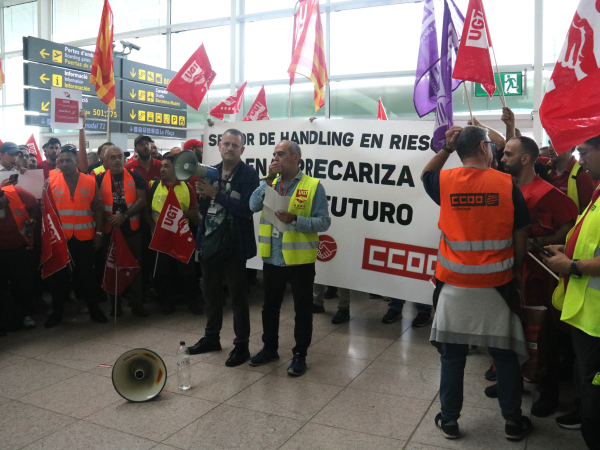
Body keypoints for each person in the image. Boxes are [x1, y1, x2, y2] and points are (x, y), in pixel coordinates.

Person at [421, 125, 532, 441]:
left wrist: (446, 147)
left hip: (453, 285)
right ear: (484, 148)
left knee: (453, 356)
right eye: (491, 145)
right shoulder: (506, 184)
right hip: (497, 286)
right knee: (504, 355)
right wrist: (517, 272)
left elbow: (425, 173)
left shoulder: (445, 181)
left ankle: (450, 421)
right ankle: (512, 422)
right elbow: (521, 233)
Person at [500, 136, 578, 417]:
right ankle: (511, 382)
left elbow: (570, 228)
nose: (502, 159)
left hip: (538, 275)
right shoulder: (502, 189)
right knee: (510, 329)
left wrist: (541, 244)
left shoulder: (549, 194)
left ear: (525, 158)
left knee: (544, 335)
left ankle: (549, 391)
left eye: (508, 155)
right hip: (508, 272)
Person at [249, 140, 331, 376]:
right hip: (272, 257)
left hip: (300, 259)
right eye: (274, 154)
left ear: (296, 158)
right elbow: (252, 205)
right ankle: (269, 348)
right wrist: (266, 180)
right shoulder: (270, 182)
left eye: (281, 154)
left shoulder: (313, 185)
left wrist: (295, 219)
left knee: (302, 309)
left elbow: (324, 222)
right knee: (270, 307)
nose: (276, 158)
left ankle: (299, 354)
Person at [542, 134, 600, 450]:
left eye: (585, 152)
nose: (581, 160)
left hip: (597, 317)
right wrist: (567, 248)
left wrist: (572, 265)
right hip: (586, 314)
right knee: (585, 379)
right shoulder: (598, 194)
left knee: (594, 391)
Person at [188, 129, 259, 368]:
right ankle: (211, 338)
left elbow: (246, 209)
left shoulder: (249, 174)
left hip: (235, 244)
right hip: (209, 240)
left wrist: (215, 194)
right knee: (210, 295)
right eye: (226, 144)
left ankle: (242, 346)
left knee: (238, 297)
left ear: (242, 150)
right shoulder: (210, 171)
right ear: (219, 146)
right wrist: (203, 195)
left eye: (234, 145)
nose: (229, 148)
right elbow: (203, 208)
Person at [45, 147, 107, 328]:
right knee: (58, 277)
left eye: (68, 160)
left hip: (85, 237)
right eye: (61, 160)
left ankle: (94, 309)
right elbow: (47, 211)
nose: (64, 164)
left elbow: (98, 208)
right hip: (60, 239)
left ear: (77, 163)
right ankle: (57, 312)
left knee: (87, 276)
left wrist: (99, 233)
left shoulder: (89, 181)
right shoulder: (51, 181)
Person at [144, 155, 203, 316]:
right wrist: (152, 225)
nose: (162, 169)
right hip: (161, 238)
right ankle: (166, 302)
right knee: (163, 273)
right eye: (161, 166)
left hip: (181, 237)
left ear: (175, 168)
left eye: (166, 166)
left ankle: (192, 301)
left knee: (187, 272)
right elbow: (147, 211)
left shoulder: (187, 187)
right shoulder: (154, 186)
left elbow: (194, 212)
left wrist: (177, 213)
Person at [97, 145, 149, 318]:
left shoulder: (135, 176)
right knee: (112, 268)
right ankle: (115, 305)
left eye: (120, 156)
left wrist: (124, 216)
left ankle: (137, 304)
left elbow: (142, 200)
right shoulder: (97, 179)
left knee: (136, 268)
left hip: (132, 230)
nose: (118, 160)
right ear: (104, 161)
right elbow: (95, 205)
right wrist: (107, 217)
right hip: (109, 231)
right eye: (112, 157)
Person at [0, 184, 39, 331]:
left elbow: (35, 204)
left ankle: (26, 315)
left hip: (20, 247)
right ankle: (8, 317)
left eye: (1, 201)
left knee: (22, 282)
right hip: (1, 250)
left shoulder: (15, 192)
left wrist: (33, 220)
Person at [539, 143, 594, 214]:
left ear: (570, 147)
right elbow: (527, 157)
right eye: (550, 143)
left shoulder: (582, 173)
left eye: (555, 143)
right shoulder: (546, 165)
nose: (549, 148)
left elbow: (586, 211)